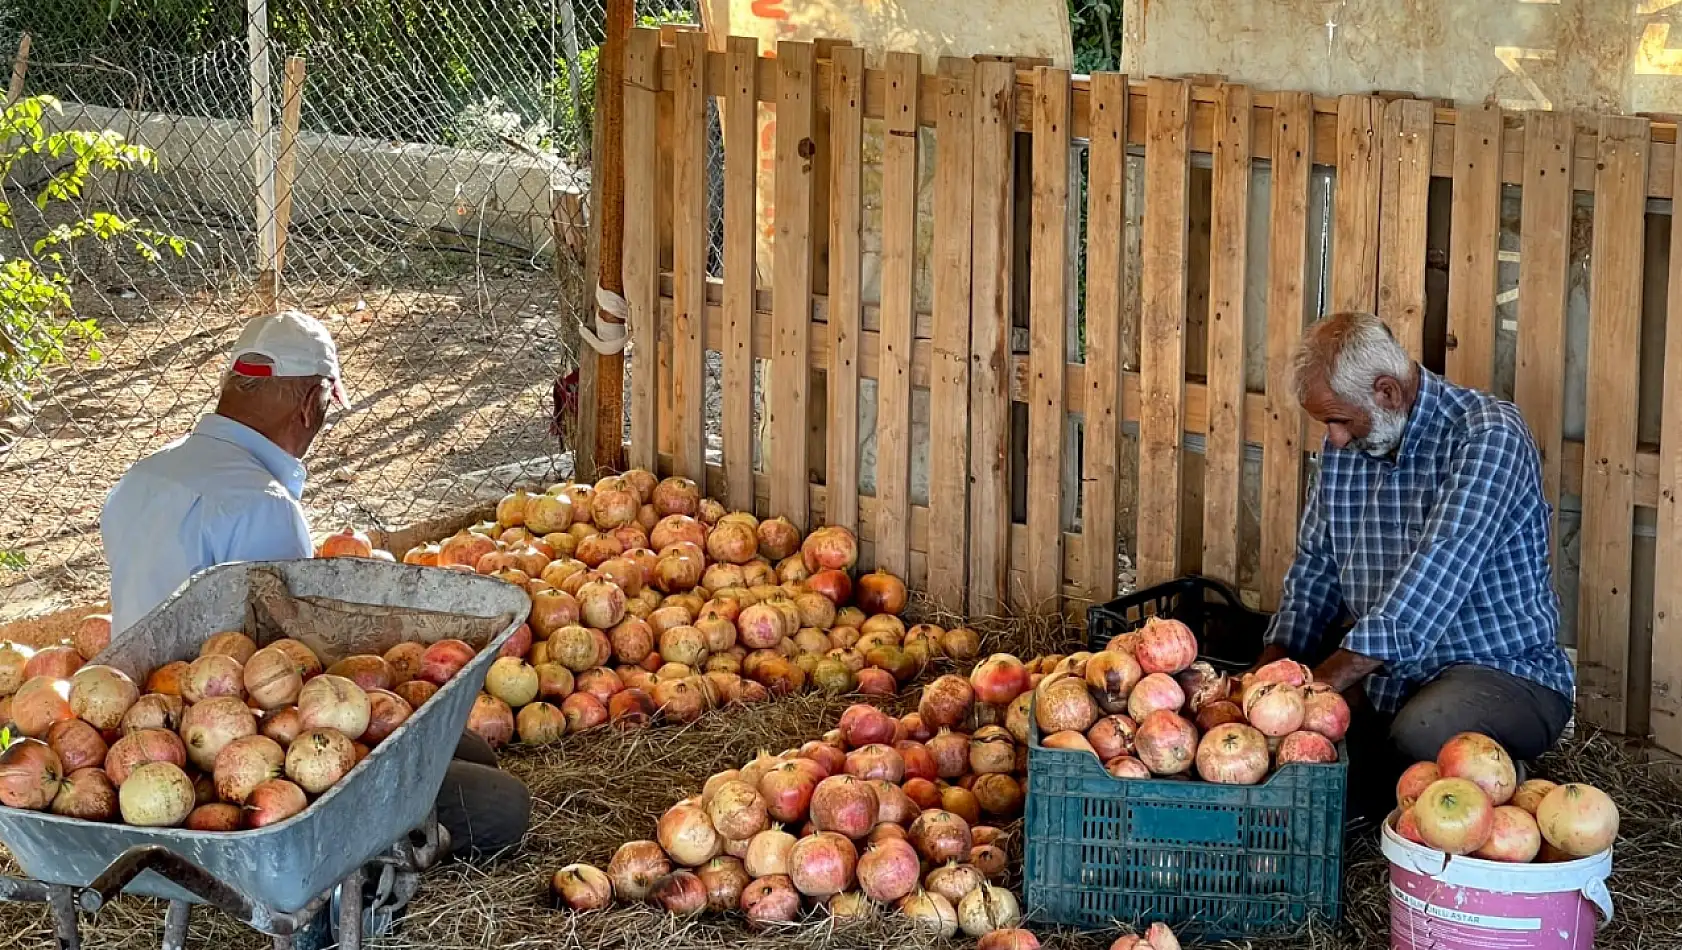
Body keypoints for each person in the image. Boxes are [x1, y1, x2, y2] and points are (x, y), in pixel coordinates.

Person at [100, 311, 530, 932]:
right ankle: (341, 904)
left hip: (133, 725)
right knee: (502, 806)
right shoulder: (260, 505)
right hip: (238, 754)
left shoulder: (143, 476)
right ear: (309, 403)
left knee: (460, 748)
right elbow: (287, 669)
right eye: (326, 409)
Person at [1253, 312, 1575, 817]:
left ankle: (1492, 777)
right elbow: (1316, 567)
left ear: (1386, 392)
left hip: (1501, 671)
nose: (1333, 438)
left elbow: (1434, 579)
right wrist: (1271, 670)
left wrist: (1317, 686)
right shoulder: (1351, 446)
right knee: (1331, 760)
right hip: (1388, 677)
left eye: (1338, 419)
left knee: (1422, 732)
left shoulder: (1488, 435)